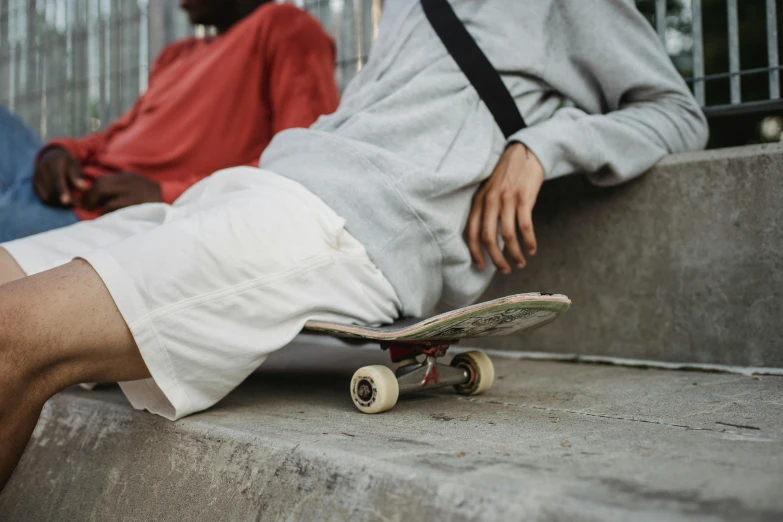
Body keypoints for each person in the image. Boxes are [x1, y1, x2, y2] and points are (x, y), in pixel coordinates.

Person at [0, 0, 708, 490]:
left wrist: (538, 147)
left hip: (340, 226)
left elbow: (674, 111)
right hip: (248, 189)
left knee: (13, 333)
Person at [0, 0, 339, 242]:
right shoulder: (175, 55)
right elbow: (114, 135)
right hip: (61, 182)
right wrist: (60, 151)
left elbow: (302, 163)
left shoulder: (285, 27)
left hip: (97, 214)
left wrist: (166, 194)